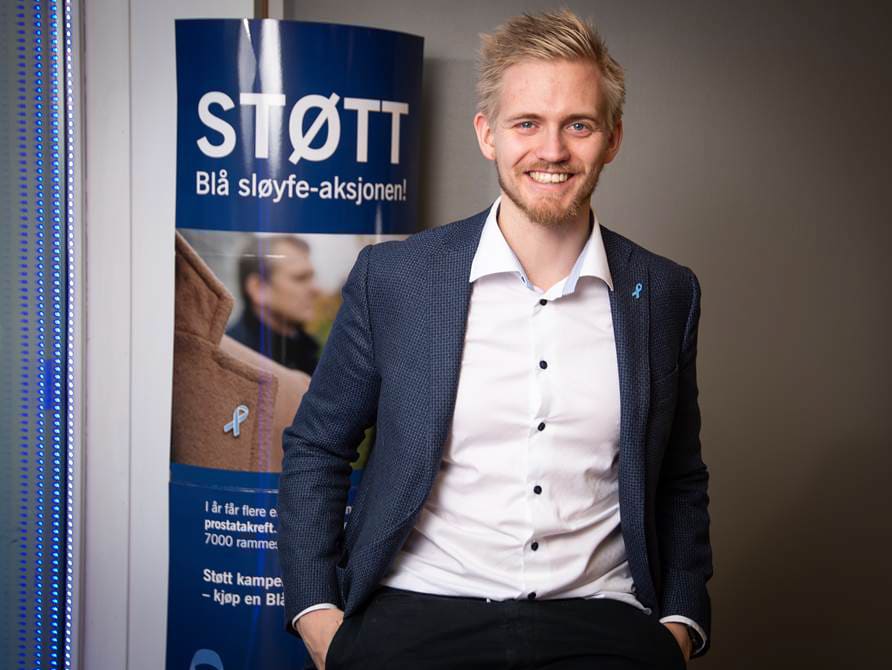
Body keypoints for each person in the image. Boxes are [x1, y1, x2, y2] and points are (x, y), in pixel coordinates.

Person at [278, 9, 712, 669]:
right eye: (526, 123)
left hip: (603, 618)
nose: (552, 150)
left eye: (579, 124)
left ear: (613, 138)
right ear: (487, 134)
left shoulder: (664, 293)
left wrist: (680, 620)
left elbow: (679, 474)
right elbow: (318, 445)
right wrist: (317, 615)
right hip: (416, 610)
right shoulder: (395, 279)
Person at [227, 235, 320, 375]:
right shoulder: (229, 360)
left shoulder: (306, 350)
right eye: (300, 278)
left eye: (312, 277)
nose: (316, 289)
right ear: (258, 288)